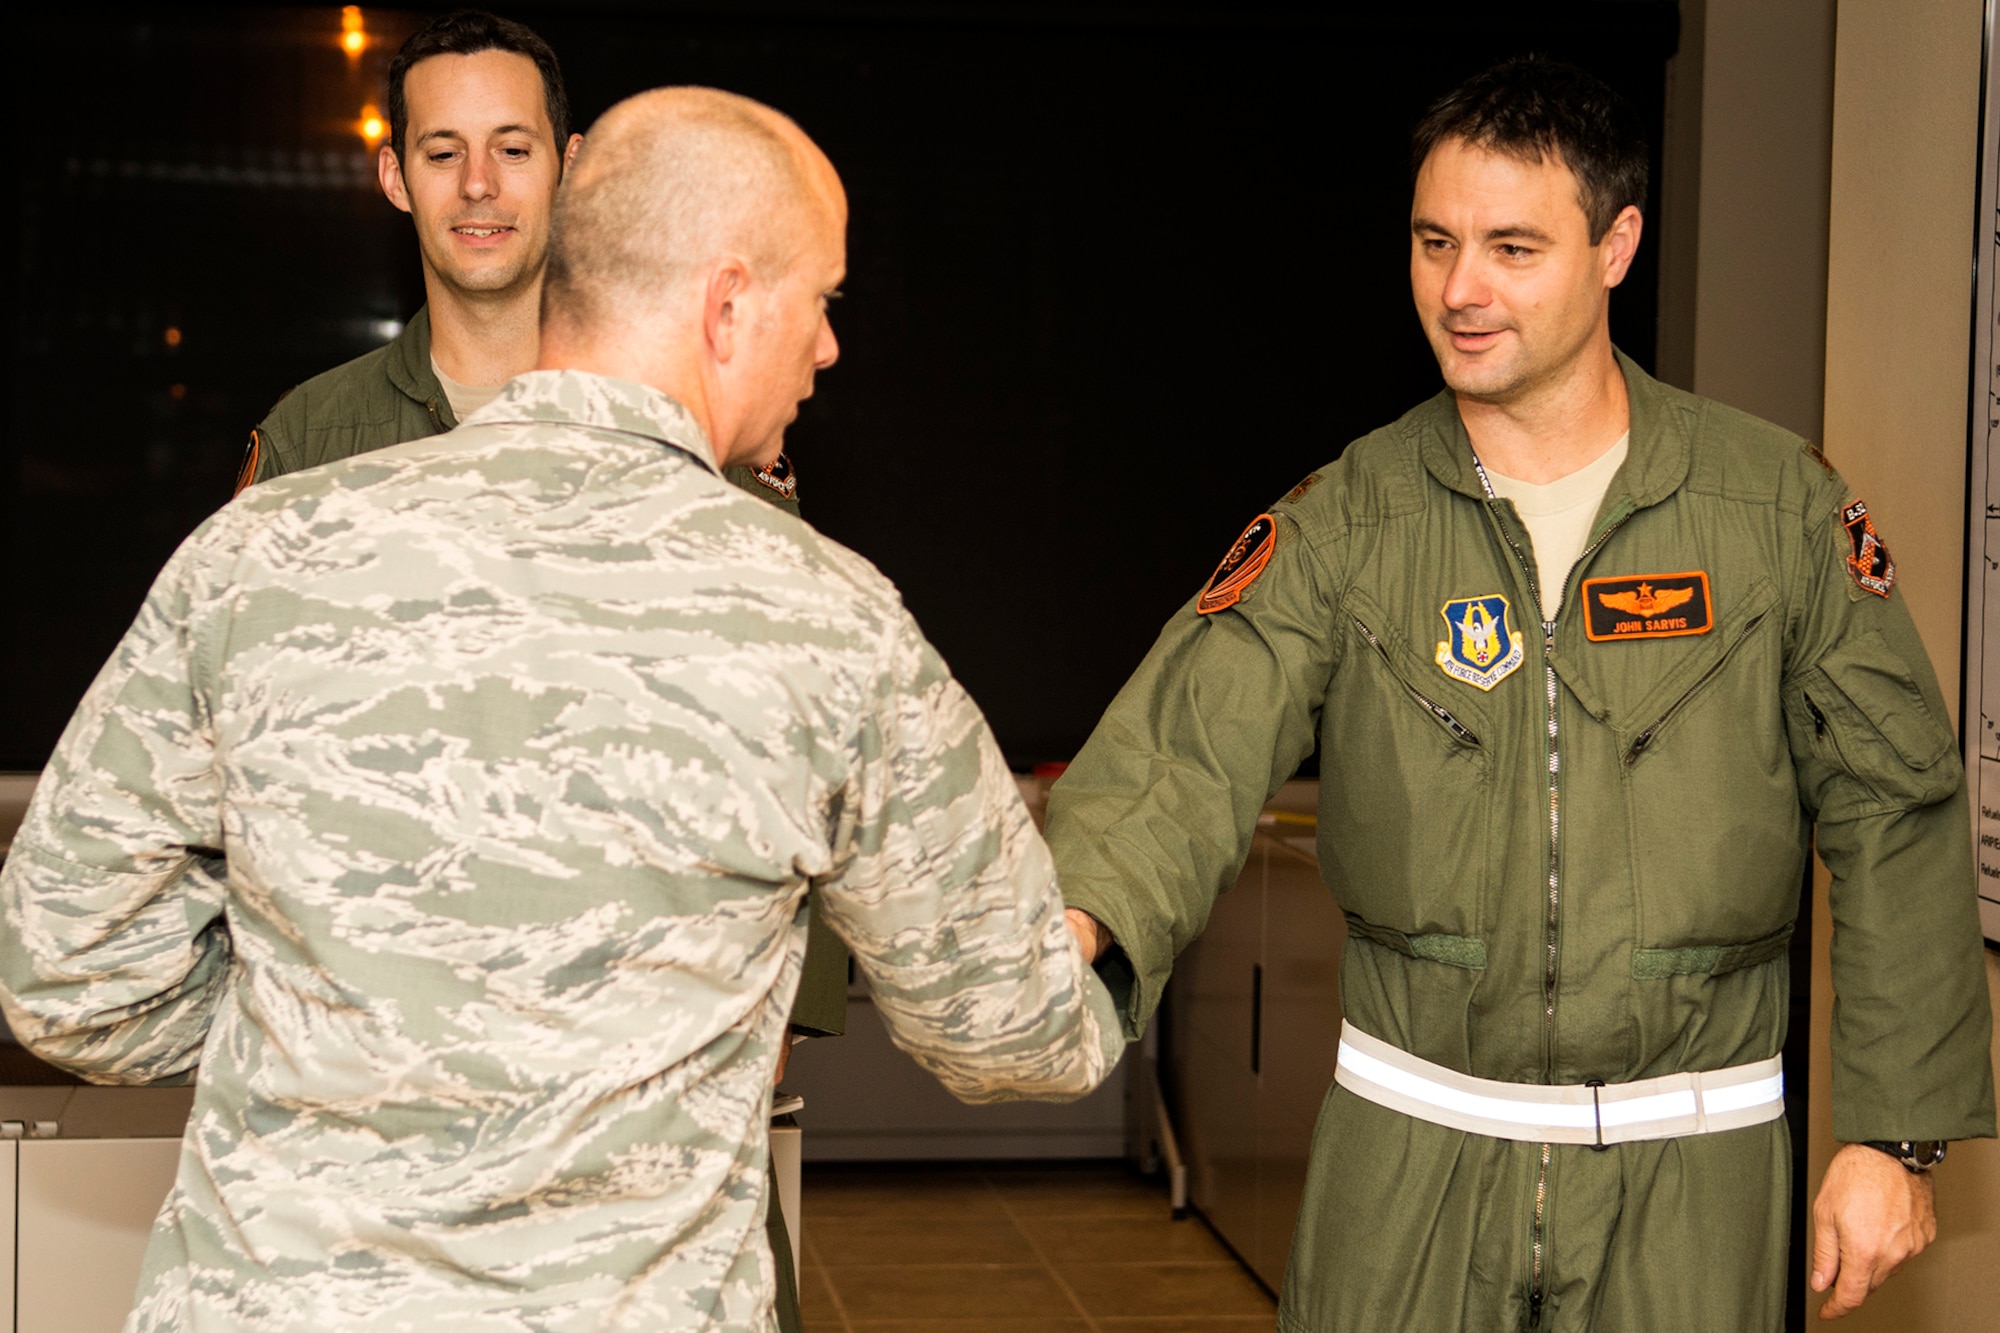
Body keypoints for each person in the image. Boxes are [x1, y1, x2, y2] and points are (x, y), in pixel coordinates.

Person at [0, 86, 1121, 1332]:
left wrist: (333, 1024)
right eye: (822, 300)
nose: (826, 349)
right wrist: (1106, 924)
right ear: (727, 304)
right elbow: (1007, 1027)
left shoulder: (257, 554)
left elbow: (63, 969)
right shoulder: (828, 620)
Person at [1048, 55, 1994, 1331]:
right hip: (1407, 1163)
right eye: (1433, 241)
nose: (1458, 290)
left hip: (1689, 1179)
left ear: (1616, 246)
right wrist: (1063, 927)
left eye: (1510, 247)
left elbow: (1896, 808)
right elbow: (1182, 753)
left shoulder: (1773, 512)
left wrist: (1893, 1132)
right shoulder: (1345, 522)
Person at [237, 15, 844, 1325]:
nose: (479, 186)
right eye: (442, 151)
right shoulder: (315, 443)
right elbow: (229, 751)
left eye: (512, 149)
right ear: (394, 174)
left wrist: (789, 1014)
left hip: (655, 1115)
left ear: (567, 167)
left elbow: (803, 731)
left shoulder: (698, 434)